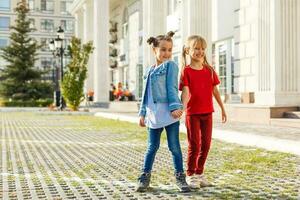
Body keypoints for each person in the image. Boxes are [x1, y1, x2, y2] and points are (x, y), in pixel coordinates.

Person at [136, 31, 191, 193]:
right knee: (151, 147)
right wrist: (142, 113)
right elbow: (145, 94)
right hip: (153, 115)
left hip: (169, 113)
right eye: (163, 49)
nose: (167, 53)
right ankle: (144, 177)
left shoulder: (171, 66)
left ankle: (180, 178)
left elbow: (172, 87)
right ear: (155, 50)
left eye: (169, 50)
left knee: (174, 147)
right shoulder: (149, 70)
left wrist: (176, 107)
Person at [180, 35, 227, 189]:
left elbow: (215, 90)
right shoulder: (186, 71)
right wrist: (182, 108)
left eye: (202, 49)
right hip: (193, 114)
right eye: (196, 48)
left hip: (207, 113)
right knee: (194, 144)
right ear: (188, 50)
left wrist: (222, 108)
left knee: (206, 144)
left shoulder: (209, 70)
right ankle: (190, 174)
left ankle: (199, 173)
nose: (200, 51)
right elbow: (185, 93)